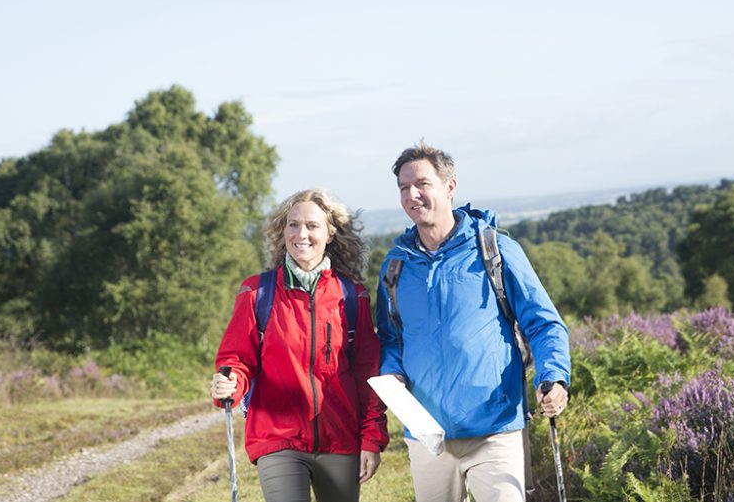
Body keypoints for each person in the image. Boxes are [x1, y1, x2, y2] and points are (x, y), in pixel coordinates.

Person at [376, 140, 571, 502]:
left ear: (450, 187)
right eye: (404, 187)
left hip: (494, 428)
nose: (412, 195)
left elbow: (544, 325)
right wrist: (392, 372)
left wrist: (554, 376)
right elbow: (390, 339)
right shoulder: (395, 265)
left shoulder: (495, 251)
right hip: (426, 435)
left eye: (422, 184)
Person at [211, 188, 388, 502]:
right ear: (282, 232)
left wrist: (372, 439)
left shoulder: (352, 296)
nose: (301, 234)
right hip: (278, 439)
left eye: (312, 226)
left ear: (330, 234)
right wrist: (231, 383)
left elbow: (367, 374)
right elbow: (237, 358)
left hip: (341, 440)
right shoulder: (257, 293)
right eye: (292, 225)